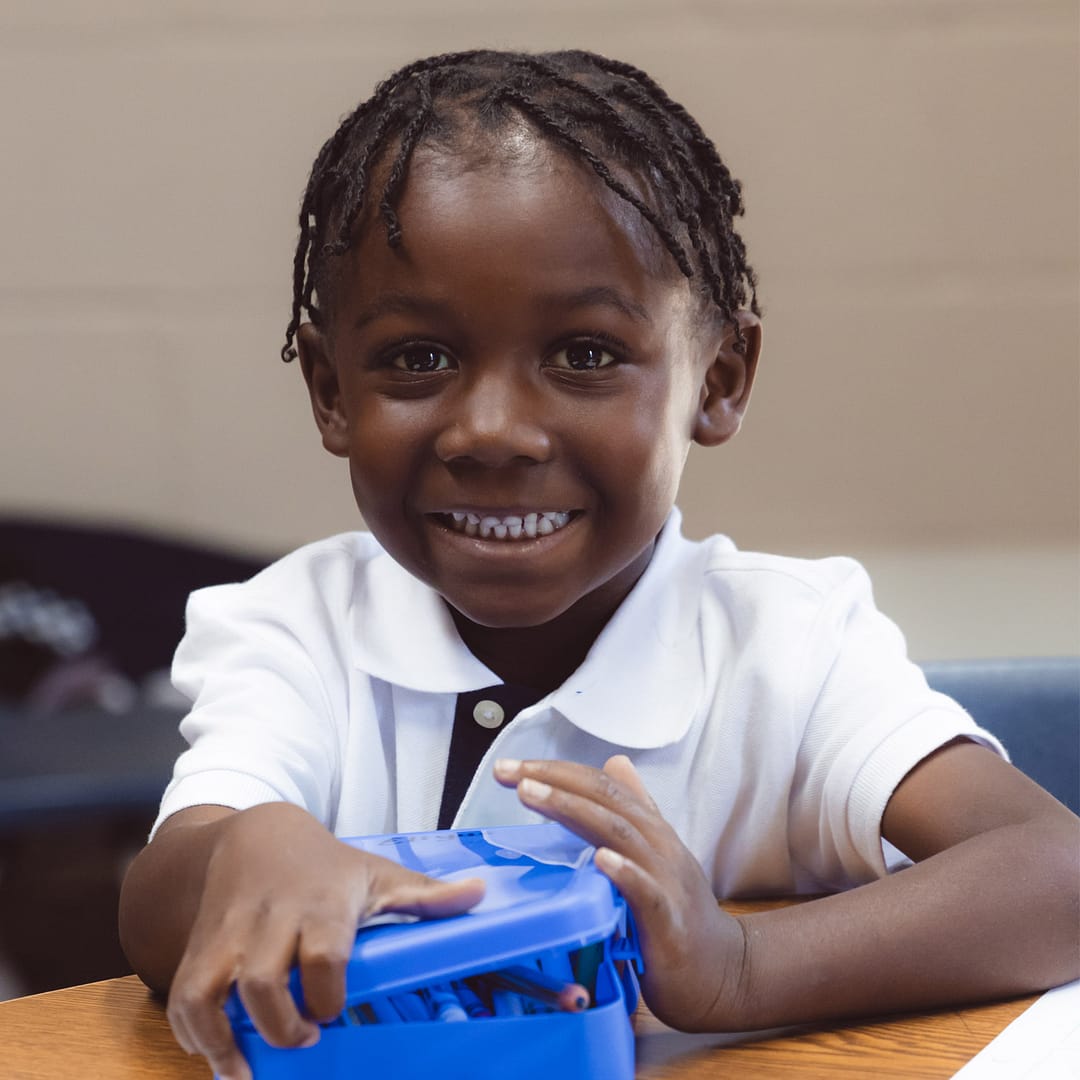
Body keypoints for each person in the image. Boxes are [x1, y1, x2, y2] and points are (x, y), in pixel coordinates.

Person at [118, 49, 1079, 1080]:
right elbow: (156, 901)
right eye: (417, 359)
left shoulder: (787, 645)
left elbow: (1054, 872)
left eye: (584, 354)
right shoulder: (295, 628)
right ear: (328, 390)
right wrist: (244, 850)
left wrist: (740, 965)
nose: (493, 431)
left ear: (718, 380)